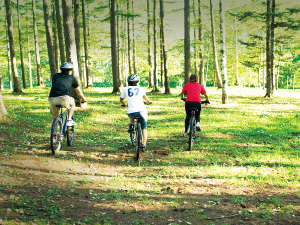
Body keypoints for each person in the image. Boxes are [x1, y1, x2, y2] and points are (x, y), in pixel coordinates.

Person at [49, 62, 86, 126]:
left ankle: (55, 133)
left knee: (55, 117)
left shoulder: (55, 76)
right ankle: (69, 120)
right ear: (70, 70)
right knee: (72, 103)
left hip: (51, 99)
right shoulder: (72, 78)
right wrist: (83, 98)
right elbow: (78, 92)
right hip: (63, 99)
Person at [120, 74, 152, 150]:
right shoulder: (141, 89)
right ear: (137, 82)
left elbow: (121, 100)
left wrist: (124, 104)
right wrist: (148, 102)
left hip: (131, 112)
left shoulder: (125, 89)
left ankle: (131, 126)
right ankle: (143, 144)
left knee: (131, 113)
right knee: (144, 127)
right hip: (141, 111)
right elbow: (147, 100)